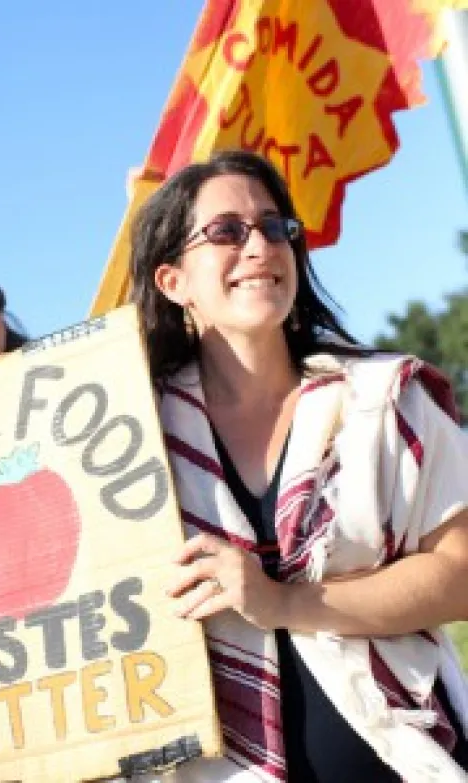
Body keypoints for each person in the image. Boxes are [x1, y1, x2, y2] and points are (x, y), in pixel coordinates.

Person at [128, 149, 468, 781]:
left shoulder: (386, 400)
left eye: (276, 226)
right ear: (172, 281)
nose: (260, 245)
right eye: (226, 231)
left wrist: (282, 602)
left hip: (406, 760)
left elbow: (462, 573)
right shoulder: (128, 438)